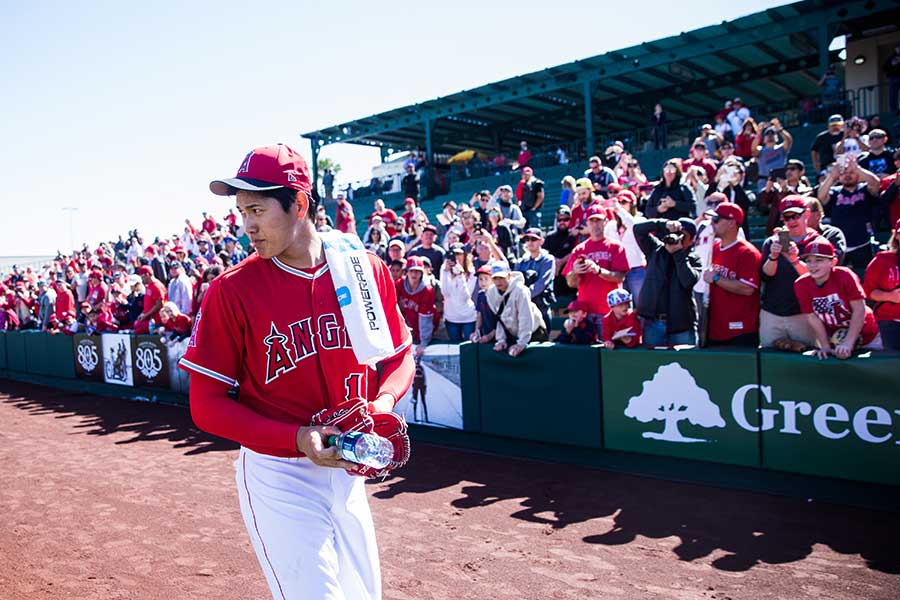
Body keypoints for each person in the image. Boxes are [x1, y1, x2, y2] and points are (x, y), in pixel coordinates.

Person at [179, 143, 414, 600]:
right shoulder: (231, 291)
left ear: (299, 203)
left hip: (349, 467)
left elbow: (399, 357)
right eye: (241, 211)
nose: (247, 224)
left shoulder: (363, 271)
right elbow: (204, 407)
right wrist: (296, 438)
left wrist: (381, 402)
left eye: (257, 209)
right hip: (279, 472)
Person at [794, 239, 882, 359]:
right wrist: (825, 345)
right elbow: (812, 316)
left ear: (833, 261)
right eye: (809, 261)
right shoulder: (801, 284)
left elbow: (859, 309)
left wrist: (848, 342)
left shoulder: (845, 275)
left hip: (867, 334)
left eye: (819, 260)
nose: (812, 265)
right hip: (835, 338)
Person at [758, 196, 820, 350]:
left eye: (796, 216)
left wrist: (795, 260)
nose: (791, 221)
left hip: (804, 314)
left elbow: (817, 278)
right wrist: (773, 257)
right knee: (769, 359)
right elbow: (766, 275)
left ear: (806, 214)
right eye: (787, 217)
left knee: (807, 359)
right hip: (772, 313)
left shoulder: (817, 242)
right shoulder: (772, 242)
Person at [633, 217, 701, 347]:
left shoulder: (694, 259)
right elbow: (638, 229)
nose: (677, 238)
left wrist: (678, 254)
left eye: (683, 236)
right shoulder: (655, 250)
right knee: (652, 365)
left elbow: (688, 281)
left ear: (691, 240)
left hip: (681, 326)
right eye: (675, 235)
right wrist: (664, 224)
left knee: (686, 365)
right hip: (654, 323)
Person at [703, 203, 762, 347]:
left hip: (740, 331)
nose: (712, 223)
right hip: (715, 329)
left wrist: (716, 279)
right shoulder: (715, 247)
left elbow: (748, 289)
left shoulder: (748, 253)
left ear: (731, 223)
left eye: (716, 220)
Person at [563, 206, 628, 334]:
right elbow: (571, 283)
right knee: (587, 351)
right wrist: (575, 272)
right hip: (585, 312)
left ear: (605, 222)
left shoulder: (615, 246)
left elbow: (620, 277)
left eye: (598, 221)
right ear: (586, 223)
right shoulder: (579, 249)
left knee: (608, 350)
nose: (595, 225)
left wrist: (599, 270)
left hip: (609, 312)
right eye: (591, 221)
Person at [817, 156, 880, 270]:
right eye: (843, 173)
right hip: (840, 246)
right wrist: (832, 176)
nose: (847, 175)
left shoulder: (864, 189)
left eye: (851, 172)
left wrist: (858, 168)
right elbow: (821, 196)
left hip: (863, 244)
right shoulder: (834, 192)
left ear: (858, 175)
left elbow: (876, 183)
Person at [486, 263, 544, 357]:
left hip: (534, 330)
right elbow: (499, 318)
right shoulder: (491, 293)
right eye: (495, 278)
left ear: (509, 276)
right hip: (512, 331)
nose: (498, 281)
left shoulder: (521, 290)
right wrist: (501, 340)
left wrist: (521, 344)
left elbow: (525, 317)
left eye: (501, 278)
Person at [863, 219, 900, 350]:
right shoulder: (882, 260)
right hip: (890, 321)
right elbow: (868, 292)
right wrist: (890, 296)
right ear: (896, 235)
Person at [605, 190, 646, 301]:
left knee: (641, 303)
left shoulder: (640, 220)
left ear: (632, 204)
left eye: (624, 202)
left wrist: (620, 211)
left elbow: (634, 227)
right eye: (618, 202)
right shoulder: (611, 225)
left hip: (636, 269)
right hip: (618, 271)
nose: (620, 205)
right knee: (620, 305)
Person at [512, 228, 555, 331]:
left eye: (533, 239)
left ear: (541, 241)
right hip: (522, 308)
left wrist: (523, 296)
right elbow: (514, 281)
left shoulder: (548, 259)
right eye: (527, 239)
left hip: (541, 307)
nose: (530, 242)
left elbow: (542, 283)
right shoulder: (521, 261)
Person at [396, 256, 437, 359]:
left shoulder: (427, 290)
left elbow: (425, 318)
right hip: (409, 326)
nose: (414, 274)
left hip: (426, 328)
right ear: (406, 272)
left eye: (417, 271)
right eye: (412, 271)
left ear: (422, 273)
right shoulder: (399, 284)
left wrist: (424, 342)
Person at [760, 158, 812, 236]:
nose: (788, 172)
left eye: (792, 169)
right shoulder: (777, 189)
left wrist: (786, 190)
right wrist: (768, 188)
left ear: (801, 172)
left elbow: (800, 201)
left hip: (797, 229)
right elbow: (762, 204)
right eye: (786, 169)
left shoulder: (807, 190)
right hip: (776, 230)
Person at [439, 244, 477, 342]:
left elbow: (465, 296)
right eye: (454, 254)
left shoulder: (472, 272)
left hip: (468, 317)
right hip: (451, 317)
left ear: (464, 255)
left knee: (468, 347)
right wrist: (447, 273)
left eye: (459, 254)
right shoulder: (444, 269)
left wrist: (460, 277)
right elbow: (445, 292)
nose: (457, 257)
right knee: (455, 346)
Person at [543, 205, 578, 297]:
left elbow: (578, 252)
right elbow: (544, 253)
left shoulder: (574, 236)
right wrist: (555, 261)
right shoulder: (550, 236)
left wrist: (562, 261)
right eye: (559, 220)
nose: (562, 222)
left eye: (565, 219)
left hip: (570, 278)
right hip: (555, 278)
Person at [752, 118, 793, 192]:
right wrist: (759, 133)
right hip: (764, 181)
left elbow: (789, 140)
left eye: (772, 134)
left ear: (777, 138)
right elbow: (753, 149)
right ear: (764, 139)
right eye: (767, 134)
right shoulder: (760, 150)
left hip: (781, 180)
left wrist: (779, 129)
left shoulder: (781, 148)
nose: (770, 136)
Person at [805, 197, 847, 264]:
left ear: (818, 215)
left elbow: (836, 259)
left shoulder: (833, 233)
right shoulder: (791, 235)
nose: (800, 216)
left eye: (805, 212)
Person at [470, 265, 499, 345]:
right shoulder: (481, 295)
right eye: (480, 279)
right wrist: (477, 331)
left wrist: (491, 335)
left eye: (486, 279)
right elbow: (479, 314)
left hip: (500, 335)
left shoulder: (498, 295)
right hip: (486, 332)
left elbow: (502, 320)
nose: (483, 282)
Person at [884, 43, 900, 113]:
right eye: (897, 48)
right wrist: (892, 64)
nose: (899, 49)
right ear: (895, 49)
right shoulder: (891, 58)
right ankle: (894, 110)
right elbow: (885, 68)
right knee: (893, 95)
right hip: (893, 78)